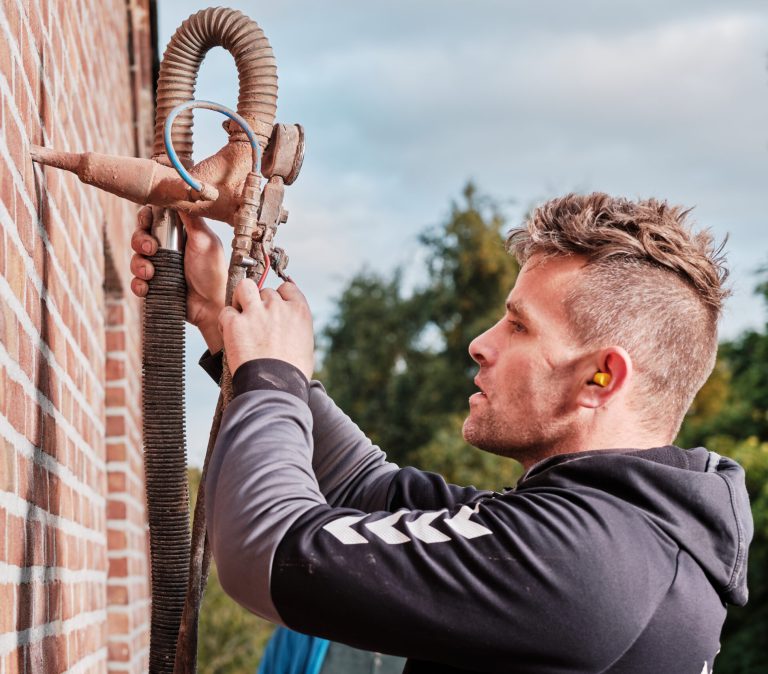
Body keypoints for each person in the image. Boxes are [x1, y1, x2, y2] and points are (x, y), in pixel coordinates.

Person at [131, 193, 753, 674]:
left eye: (518, 326)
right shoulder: (616, 536)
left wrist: (273, 373)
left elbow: (264, 554)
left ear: (601, 375)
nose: (479, 344)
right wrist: (224, 324)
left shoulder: (588, 563)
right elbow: (360, 487)